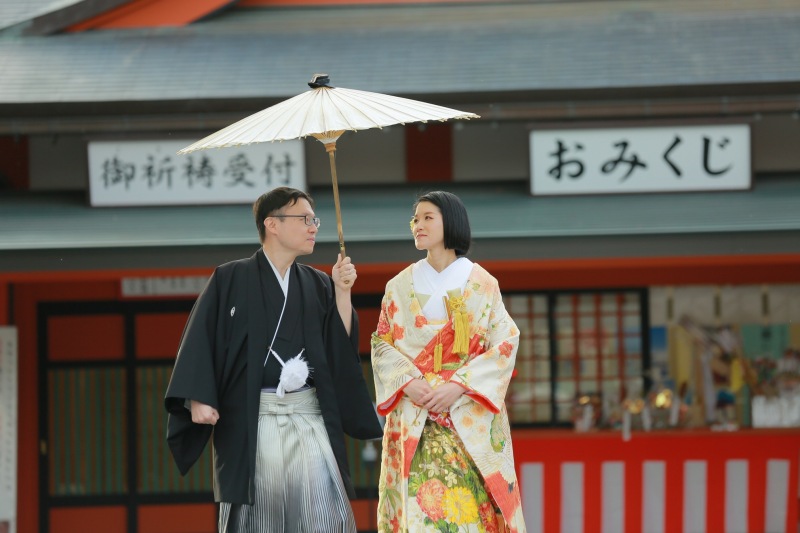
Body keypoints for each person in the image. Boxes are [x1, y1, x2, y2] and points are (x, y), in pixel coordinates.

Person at [164, 186, 382, 533]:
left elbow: (338, 350)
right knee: (260, 517)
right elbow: (200, 338)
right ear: (272, 224)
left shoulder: (317, 283)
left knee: (322, 512)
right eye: (305, 219)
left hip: (308, 415)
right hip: (254, 418)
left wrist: (342, 292)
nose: (313, 227)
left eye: (315, 220)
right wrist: (198, 397)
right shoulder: (229, 278)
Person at [371, 191, 526, 532]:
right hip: (416, 412)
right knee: (417, 513)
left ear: (451, 222)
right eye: (415, 219)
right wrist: (408, 382)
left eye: (428, 217)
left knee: (470, 514)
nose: (418, 225)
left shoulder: (483, 284)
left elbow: (504, 343)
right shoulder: (398, 286)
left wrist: (458, 385)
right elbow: (381, 344)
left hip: (466, 418)